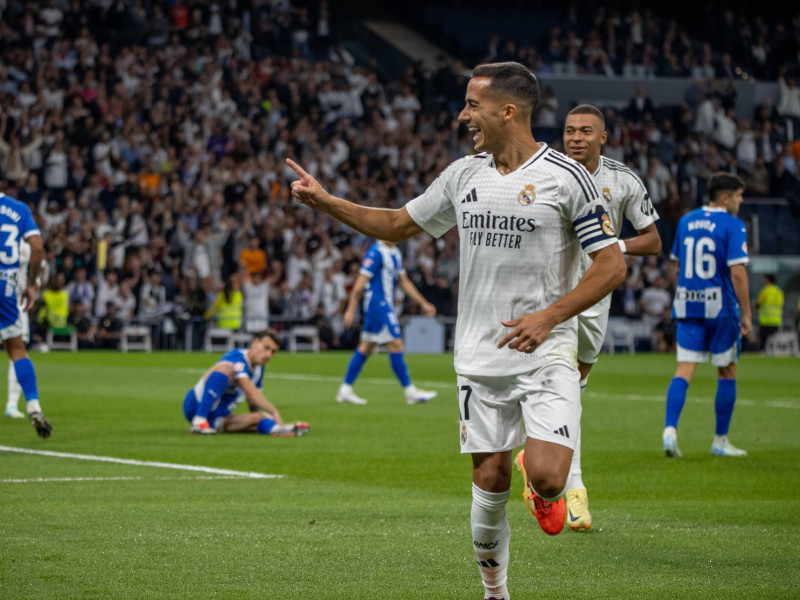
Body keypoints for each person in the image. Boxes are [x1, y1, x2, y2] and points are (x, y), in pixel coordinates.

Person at [287, 62, 626, 600]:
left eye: (473, 104)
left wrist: (549, 317)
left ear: (507, 110)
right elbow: (397, 225)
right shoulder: (463, 174)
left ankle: (543, 489)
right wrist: (328, 202)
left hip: (546, 352)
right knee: (489, 481)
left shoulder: (567, 178)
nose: (464, 115)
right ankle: (495, 593)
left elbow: (612, 266)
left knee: (548, 477)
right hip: (478, 358)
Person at [542, 103, 662, 531]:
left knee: (576, 389)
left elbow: (652, 240)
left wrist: (612, 248)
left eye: (585, 131)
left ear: (603, 137)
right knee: (562, 390)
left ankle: (537, 458)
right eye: (570, 130)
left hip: (595, 294)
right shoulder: (547, 170)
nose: (575, 138)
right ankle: (573, 490)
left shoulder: (622, 179)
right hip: (550, 293)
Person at [663, 173, 751, 459]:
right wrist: (747, 313)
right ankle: (720, 441)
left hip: (688, 305)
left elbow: (674, 266)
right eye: (738, 196)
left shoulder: (687, 221)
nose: (740, 201)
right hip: (721, 309)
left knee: (684, 369)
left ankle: (669, 432)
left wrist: (685, 294)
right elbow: (738, 273)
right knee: (726, 370)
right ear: (724, 197)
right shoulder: (733, 224)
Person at [335, 239, 438, 406]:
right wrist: (350, 309)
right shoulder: (376, 252)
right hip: (378, 305)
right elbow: (360, 283)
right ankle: (410, 392)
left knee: (366, 347)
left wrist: (423, 303)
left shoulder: (395, 252)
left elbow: (404, 281)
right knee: (396, 344)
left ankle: (345, 390)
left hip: (383, 305)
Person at [183, 328, 310, 436]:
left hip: (219, 417)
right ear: (255, 343)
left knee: (263, 417)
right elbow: (249, 389)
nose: (268, 355)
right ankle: (199, 420)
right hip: (196, 405)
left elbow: (253, 400)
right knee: (226, 369)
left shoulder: (259, 370)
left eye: (273, 352)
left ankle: (280, 430)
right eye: (266, 348)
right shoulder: (237, 357)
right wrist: (274, 411)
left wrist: (261, 418)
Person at [0, 192, 51, 438]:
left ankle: (14, 405)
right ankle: (33, 405)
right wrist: (31, 285)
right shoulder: (18, 209)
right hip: (8, 290)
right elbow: (38, 248)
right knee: (17, 349)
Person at [755, 274, 784, 351]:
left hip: (765, 320)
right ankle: (775, 351)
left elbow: (759, 303)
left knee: (763, 340)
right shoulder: (779, 291)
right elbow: (781, 304)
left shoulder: (765, 291)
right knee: (774, 340)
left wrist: (751, 311)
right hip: (776, 320)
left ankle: (762, 352)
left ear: (767, 280)